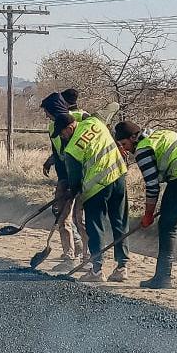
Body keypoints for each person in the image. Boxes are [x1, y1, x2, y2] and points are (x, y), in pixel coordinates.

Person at [41, 91, 129, 282]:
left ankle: (97, 271)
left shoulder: (73, 149)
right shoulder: (94, 122)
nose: (62, 137)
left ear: (69, 128)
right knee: (119, 223)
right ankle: (122, 267)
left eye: (62, 133)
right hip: (120, 178)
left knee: (95, 226)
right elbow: (111, 108)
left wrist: (70, 193)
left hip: (98, 187)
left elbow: (74, 181)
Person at [116, 121, 177, 289]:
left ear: (133, 137)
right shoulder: (158, 135)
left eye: (124, 144)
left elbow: (152, 186)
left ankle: (163, 277)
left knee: (168, 226)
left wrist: (148, 215)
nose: (125, 149)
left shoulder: (143, 149)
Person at [40, 89, 88, 263]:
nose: (46, 116)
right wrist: (50, 161)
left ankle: (85, 254)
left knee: (77, 217)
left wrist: (74, 181)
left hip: (81, 176)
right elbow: (59, 151)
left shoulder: (79, 119)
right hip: (65, 176)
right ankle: (70, 253)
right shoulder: (55, 126)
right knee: (63, 215)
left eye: (47, 112)